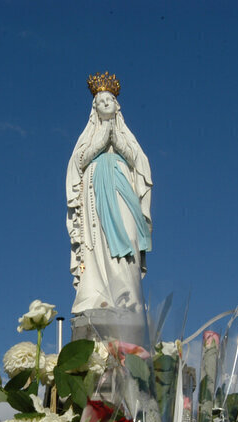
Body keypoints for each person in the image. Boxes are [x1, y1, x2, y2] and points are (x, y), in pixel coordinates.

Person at [67, 73, 153, 316]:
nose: (106, 103)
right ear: (94, 108)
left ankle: (130, 297)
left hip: (122, 189)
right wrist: (104, 136)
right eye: (101, 101)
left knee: (129, 238)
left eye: (110, 100)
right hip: (96, 196)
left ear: (117, 106)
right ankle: (99, 294)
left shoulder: (127, 136)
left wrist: (117, 140)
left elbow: (139, 164)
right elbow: (79, 161)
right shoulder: (89, 136)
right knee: (99, 244)